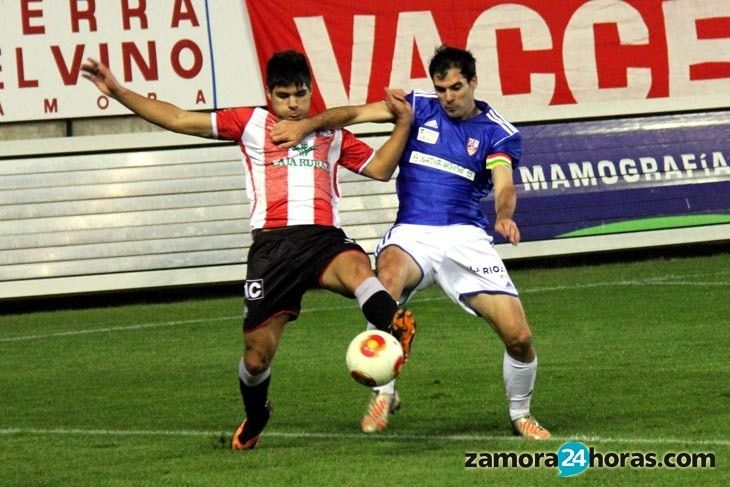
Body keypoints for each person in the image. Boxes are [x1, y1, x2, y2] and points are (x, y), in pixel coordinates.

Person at [81, 50, 416, 449]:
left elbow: (380, 169)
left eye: (301, 94)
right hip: (271, 249)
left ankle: (397, 323)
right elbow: (177, 118)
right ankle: (257, 414)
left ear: (311, 92)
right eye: (284, 96)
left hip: (323, 238)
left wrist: (404, 124)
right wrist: (118, 91)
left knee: (359, 271)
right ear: (269, 95)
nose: (294, 104)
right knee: (256, 358)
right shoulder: (251, 123)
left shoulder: (331, 133)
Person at [271, 45, 550, 439]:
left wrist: (504, 215)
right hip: (412, 232)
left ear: (473, 82)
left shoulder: (497, 132)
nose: (448, 97)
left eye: (456, 87)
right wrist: (307, 125)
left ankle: (520, 414)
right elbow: (353, 114)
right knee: (384, 283)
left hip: (464, 237)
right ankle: (384, 391)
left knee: (519, 337)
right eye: (441, 89)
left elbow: (504, 183)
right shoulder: (417, 105)